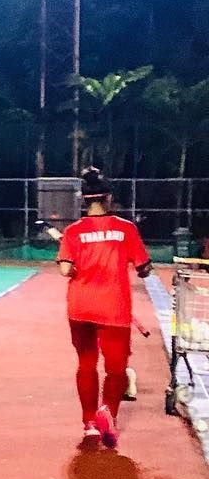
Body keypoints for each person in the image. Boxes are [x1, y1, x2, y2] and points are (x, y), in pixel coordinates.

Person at [56, 168, 152, 449]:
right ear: (108, 198)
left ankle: (88, 424)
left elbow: (65, 270)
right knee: (116, 369)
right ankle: (107, 411)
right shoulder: (126, 228)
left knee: (86, 364)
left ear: (84, 200)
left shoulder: (73, 231)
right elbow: (144, 269)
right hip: (114, 308)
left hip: (81, 307)